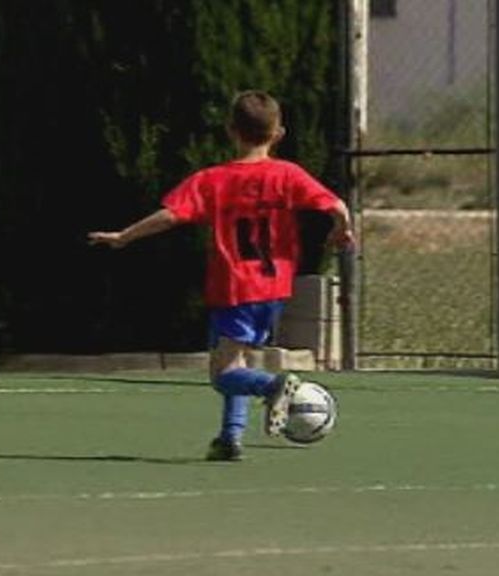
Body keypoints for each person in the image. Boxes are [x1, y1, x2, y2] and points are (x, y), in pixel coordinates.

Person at [88, 89, 354, 461]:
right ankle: (230, 437)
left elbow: (170, 215)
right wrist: (340, 229)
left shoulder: (213, 180)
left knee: (223, 373)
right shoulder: (288, 175)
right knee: (235, 358)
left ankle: (275, 385)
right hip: (274, 287)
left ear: (231, 130)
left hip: (236, 287)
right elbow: (337, 205)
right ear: (279, 134)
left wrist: (124, 236)